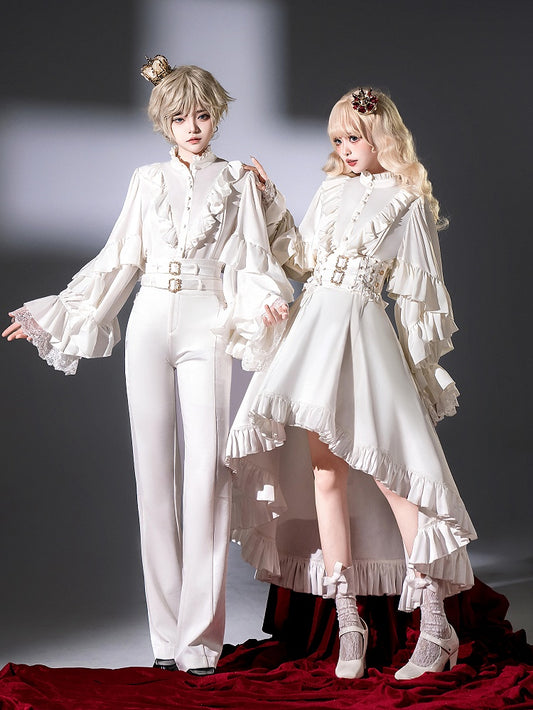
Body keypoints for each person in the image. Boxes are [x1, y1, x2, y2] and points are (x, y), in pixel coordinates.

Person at [2, 55, 293, 675]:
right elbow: (120, 258)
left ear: (217, 117)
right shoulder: (146, 180)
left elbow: (252, 257)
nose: (193, 127)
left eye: (203, 115)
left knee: (209, 472)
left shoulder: (238, 179)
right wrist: (57, 315)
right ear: (164, 122)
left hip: (208, 320)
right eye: (180, 117)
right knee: (152, 478)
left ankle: (200, 642)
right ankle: (165, 640)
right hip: (149, 321)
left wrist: (264, 301)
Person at [227, 87, 476, 680]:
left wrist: (420, 371)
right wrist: (270, 198)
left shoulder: (408, 200)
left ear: (381, 137)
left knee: (396, 477)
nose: (344, 148)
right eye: (337, 139)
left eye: (354, 137)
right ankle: (349, 624)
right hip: (314, 332)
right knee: (325, 474)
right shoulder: (331, 190)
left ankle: (436, 625)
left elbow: (419, 295)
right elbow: (303, 258)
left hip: (365, 335)